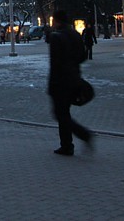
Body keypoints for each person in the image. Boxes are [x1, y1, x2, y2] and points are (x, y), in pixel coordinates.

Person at [47, 10, 92, 156]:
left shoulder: (56, 37)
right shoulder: (75, 34)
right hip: (74, 78)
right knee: (63, 113)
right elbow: (82, 56)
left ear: (57, 21)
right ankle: (67, 145)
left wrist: (52, 84)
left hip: (60, 81)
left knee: (61, 113)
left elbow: (55, 63)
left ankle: (75, 140)